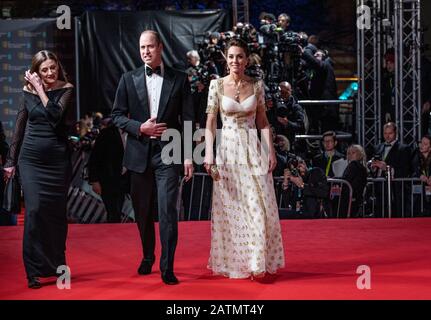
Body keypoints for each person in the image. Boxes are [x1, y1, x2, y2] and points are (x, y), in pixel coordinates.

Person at [111, 30, 194, 285]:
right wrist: (140, 127)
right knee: (143, 212)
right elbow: (116, 116)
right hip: (138, 154)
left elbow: (189, 119)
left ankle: (167, 266)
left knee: (168, 211)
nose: (145, 51)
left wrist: (189, 156)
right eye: (142, 47)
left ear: (160, 47)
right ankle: (148, 256)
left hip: (169, 153)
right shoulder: (128, 78)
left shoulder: (180, 79)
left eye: (150, 46)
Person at [204, 38, 285, 279]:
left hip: (253, 150)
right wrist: (208, 154)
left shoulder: (257, 86)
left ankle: (257, 262)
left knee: (258, 206)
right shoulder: (216, 85)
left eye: (239, 56)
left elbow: (263, 122)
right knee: (233, 208)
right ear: (225, 59)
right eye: (231, 56)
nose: (235, 61)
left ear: (247, 60)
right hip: (228, 152)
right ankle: (240, 262)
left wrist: (271, 151)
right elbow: (210, 122)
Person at [3, 50, 74, 289]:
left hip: (58, 162)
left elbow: (55, 116)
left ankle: (56, 266)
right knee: (33, 212)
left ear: (58, 67)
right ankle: (32, 271)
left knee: (56, 216)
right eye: (44, 70)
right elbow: (19, 126)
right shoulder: (27, 92)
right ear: (36, 71)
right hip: (31, 160)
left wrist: (41, 89)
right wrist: (11, 161)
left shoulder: (66, 89)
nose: (49, 73)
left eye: (52, 68)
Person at [87, 117, 127, 223]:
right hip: (111, 179)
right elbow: (95, 158)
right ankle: (115, 236)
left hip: (133, 178)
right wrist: (94, 180)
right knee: (114, 213)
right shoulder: (106, 134)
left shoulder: (138, 133)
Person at [340, 145, 368, 218]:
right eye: (348, 153)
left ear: (361, 154)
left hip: (349, 198)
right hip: (355, 199)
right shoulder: (362, 167)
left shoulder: (354, 165)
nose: (350, 155)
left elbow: (345, 179)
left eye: (353, 153)